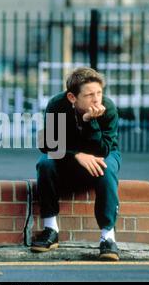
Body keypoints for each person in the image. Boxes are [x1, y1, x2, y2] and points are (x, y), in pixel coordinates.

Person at [32, 67, 121, 261]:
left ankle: (108, 237)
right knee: (45, 164)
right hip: (68, 155)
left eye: (99, 93)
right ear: (72, 97)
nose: (97, 99)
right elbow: (46, 144)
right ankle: (50, 229)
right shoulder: (57, 105)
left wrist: (90, 122)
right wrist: (76, 155)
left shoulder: (108, 109)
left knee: (105, 169)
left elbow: (104, 150)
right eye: (89, 95)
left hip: (104, 153)